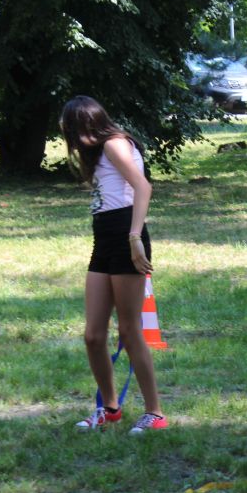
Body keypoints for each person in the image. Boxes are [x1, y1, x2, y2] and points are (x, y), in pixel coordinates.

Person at [60, 95, 167, 434]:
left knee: (129, 330)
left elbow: (143, 186)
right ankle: (110, 408)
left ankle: (154, 413)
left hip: (126, 235)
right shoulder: (99, 151)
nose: (73, 138)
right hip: (103, 239)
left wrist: (134, 237)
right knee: (93, 335)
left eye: (73, 129)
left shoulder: (114, 143)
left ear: (88, 123)